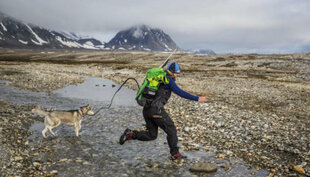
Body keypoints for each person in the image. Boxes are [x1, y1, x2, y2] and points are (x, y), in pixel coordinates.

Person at [119, 62, 207, 160]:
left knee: (152, 135)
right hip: (156, 111)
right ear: (172, 72)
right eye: (177, 73)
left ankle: (130, 134)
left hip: (147, 110)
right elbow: (180, 92)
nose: (177, 75)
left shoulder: (158, 78)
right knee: (171, 129)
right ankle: (175, 154)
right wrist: (197, 98)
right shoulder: (168, 80)